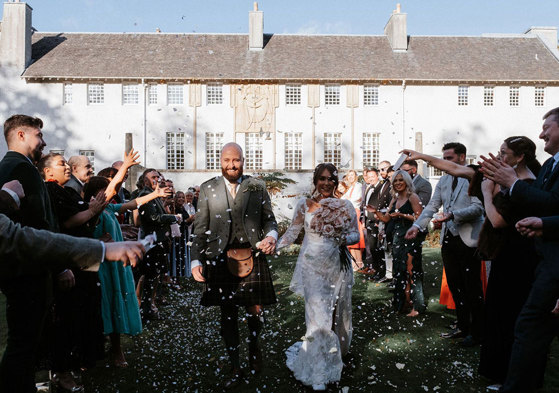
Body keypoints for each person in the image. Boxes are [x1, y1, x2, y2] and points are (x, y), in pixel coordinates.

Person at [404, 136, 541, 387]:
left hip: (501, 249)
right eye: (498, 153)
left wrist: (481, 198)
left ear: (519, 157)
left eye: (503, 153)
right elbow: (443, 188)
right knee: (465, 291)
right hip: (477, 245)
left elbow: (493, 217)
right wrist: (422, 157)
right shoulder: (460, 179)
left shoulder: (522, 183)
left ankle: (486, 343)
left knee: (485, 296)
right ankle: (467, 330)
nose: (499, 157)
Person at [480, 108, 559, 392]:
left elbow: (505, 217)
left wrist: (508, 185)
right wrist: (542, 224)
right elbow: (548, 204)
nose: (542, 134)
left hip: (538, 263)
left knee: (527, 328)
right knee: (529, 330)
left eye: (547, 127)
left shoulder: (531, 174)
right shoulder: (550, 166)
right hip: (541, 259)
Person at [191, 142, 277, 389]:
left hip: (253, 254)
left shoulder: (255, 185)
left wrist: (271, 236)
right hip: (220, 259)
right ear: (220, 160)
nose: (232, 165)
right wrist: (196, 261)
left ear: (243, 160)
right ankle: (235, 364)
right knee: (227, 314)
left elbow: (269, 220)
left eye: (236, 160)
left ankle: (254, 347)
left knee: (254, 310)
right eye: (227, 160)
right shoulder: (208, 188)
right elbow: (200, 228)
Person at [277, 163, 359, 391]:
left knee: (334, 314)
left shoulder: (346, 206)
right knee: (317, 317)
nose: (325, 183)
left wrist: (341, 236)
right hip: (311, 266)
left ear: (336, 181)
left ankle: (333, 358)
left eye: (330, 179)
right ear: (315, 181)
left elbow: (355, 234)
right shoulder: (304, 205)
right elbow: (293, 232)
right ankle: (318, 372)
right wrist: (274, 245)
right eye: (321, 179)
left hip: (336, 266)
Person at [84, 169, 171, 368]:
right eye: (103, 191)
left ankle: (116, 349)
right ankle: (97, 347)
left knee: (115, 303)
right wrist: (98, 240)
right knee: (100, 305)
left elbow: (131, 204)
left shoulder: (109, 209)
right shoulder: (89, 212)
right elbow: (81, 236)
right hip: (98, 266)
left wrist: (155, 194)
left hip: (114, 266)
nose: (110, 194)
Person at [0, 114, 62, 393]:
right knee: (24, 342)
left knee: (26, 341)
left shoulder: (14, 166)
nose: (44, 142)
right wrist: (59, 265)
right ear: (21, 135)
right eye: (39, 135)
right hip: (29, 269)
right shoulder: (19, 168)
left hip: (22, 267)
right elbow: (39, 224)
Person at [404, 142, 485, 347]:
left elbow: (478, 208)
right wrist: (417, 226)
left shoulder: (472, 177)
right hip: (448, 238)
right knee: (456, 285)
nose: (445, 163)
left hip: (469, 239)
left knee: (472, 286)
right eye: (444, 158)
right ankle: (462, 326)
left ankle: (477, 332)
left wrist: (452, 215)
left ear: (462, 158)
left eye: (449, 159)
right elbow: (432, 206)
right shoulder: (444, 180)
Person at [367, 170, 425, 316]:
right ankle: (402, 304)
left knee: (411, 272)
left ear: (407, 181)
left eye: (401, 180)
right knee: (399, 271)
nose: (398, 183)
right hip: (397, 238)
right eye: (396, 181)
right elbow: (387, 219)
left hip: (411, 237)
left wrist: (402, 215)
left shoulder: (413, 197)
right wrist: (376, 213)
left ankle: (416, 306)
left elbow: (420, 219)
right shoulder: (395, 198)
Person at [136, 169, 180, 320]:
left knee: (156, 276)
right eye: (153, 177)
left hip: (158, 241)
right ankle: (146, 309)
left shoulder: (155, 195)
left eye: (157, 176)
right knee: (150, 276)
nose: (156, 179)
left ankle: (150, 306)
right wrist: (173, 217)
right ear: (145, 181)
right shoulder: (144, 195)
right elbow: (152, 217)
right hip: (150, 242)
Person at [362, 167, 391, 280]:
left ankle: (382, 271)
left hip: (377, 221)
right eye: (369, 177)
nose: (371, 179)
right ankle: (376, 270)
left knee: (378, 248)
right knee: (372, 248)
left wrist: (379, 220)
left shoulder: (382, 187)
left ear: (377, 175)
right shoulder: (368, 188)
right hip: (369, 221)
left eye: (373, 176)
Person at [340, 169, 365, 269]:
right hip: (349, 213)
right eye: (348, 176)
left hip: (355, 212)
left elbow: (357, 198)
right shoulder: (350, 187)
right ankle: (354, 263)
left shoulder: (358, 186)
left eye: (352, 175)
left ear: (356, 176)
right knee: (351, 240)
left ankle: (359, 263)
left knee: (356, 240)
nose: (350, 177)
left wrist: (345, 200)